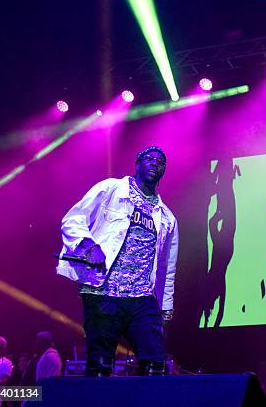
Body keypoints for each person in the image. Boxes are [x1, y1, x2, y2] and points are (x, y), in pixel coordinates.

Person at [57, 146, 179, 376]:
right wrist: (89, 246)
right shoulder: (111, 189)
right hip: (103, 292)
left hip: (142, 298)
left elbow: (167, 268)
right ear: (137, 164)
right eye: (149, 159)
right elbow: (72, 220)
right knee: (101, 365)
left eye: (161, 162)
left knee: (155, 364)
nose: (155, 163)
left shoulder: (166, 217)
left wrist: (165, 308)